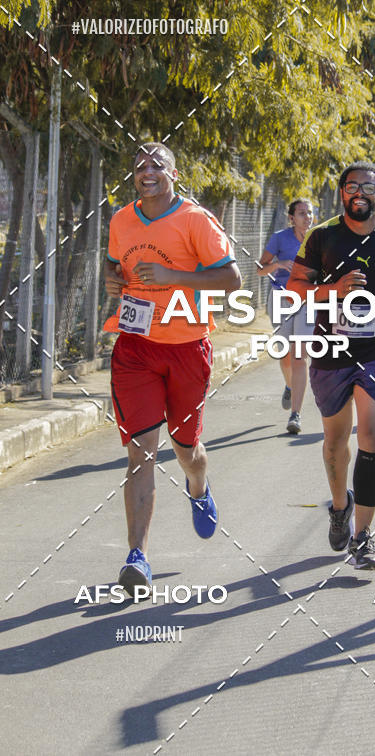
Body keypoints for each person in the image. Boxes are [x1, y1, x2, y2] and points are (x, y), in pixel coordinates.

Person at [103, 142, 242, 597]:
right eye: (140, 165)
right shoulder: (121, 220)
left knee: (186, 450)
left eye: (156, 165)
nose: (147, 171)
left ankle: (198, 486)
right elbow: (113, 264)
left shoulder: (195, 220)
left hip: (186, 348)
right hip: (135, 348)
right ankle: (137, 558)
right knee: (141, 452)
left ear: (174, 174)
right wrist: (112, 280)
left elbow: (232, 279)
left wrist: (174, 278)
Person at [287, 161, 375, 570]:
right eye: (351, 187)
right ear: (342, 193)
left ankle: (362, 536)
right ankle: (339, 506)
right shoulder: (322, 235)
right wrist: (333, 288)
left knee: (371, 434)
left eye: (368, 187)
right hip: (330, 350)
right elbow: (295, 288)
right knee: (335, 440)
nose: (359, 193)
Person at [258, 199, 314, 434]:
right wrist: (278, 264)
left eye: (309, 213)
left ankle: (295, 414)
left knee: (300, 356)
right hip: (281, 299)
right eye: (302, 213)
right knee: (285, 355)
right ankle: (290, 386)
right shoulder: (279, 238)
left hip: (308, 300)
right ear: (291, 218)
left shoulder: (319, 238)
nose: (307, 217)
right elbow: (260, 268)